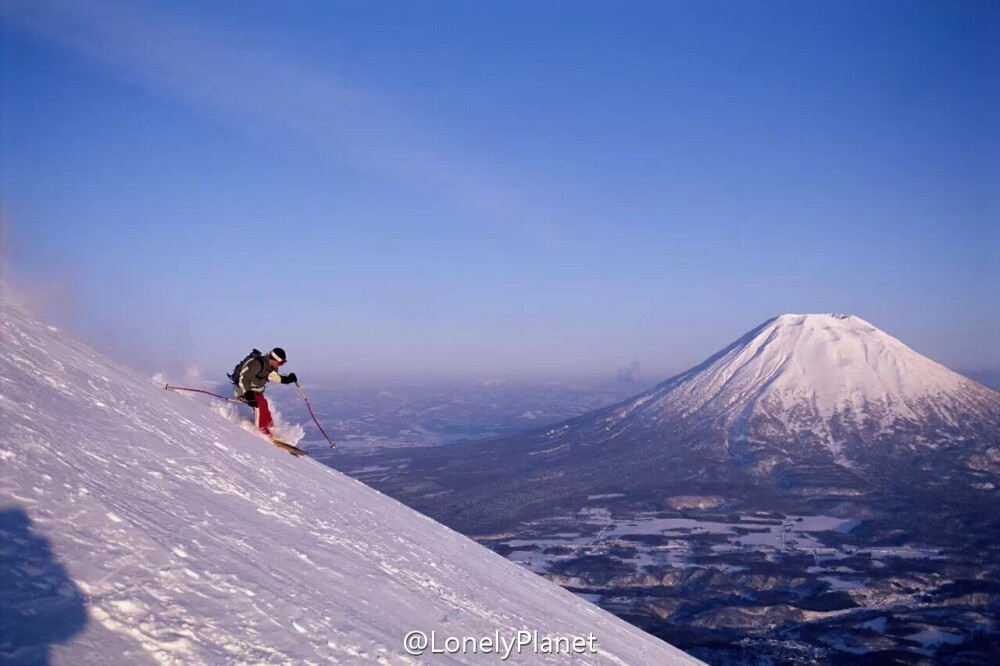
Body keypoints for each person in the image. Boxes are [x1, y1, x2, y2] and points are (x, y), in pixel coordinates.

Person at [235, 348, 297, 437]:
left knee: (264, 404)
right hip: (244, 390)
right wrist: (248, 396)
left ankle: (270, 428)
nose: (280, 365)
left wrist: (288, 379)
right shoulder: (256, 364)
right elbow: (243, 379)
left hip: (255, 391)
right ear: (274, 359)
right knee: (259, 406)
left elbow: (275, 377)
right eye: (280, 363)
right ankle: (262, 433)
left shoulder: (270, 367)